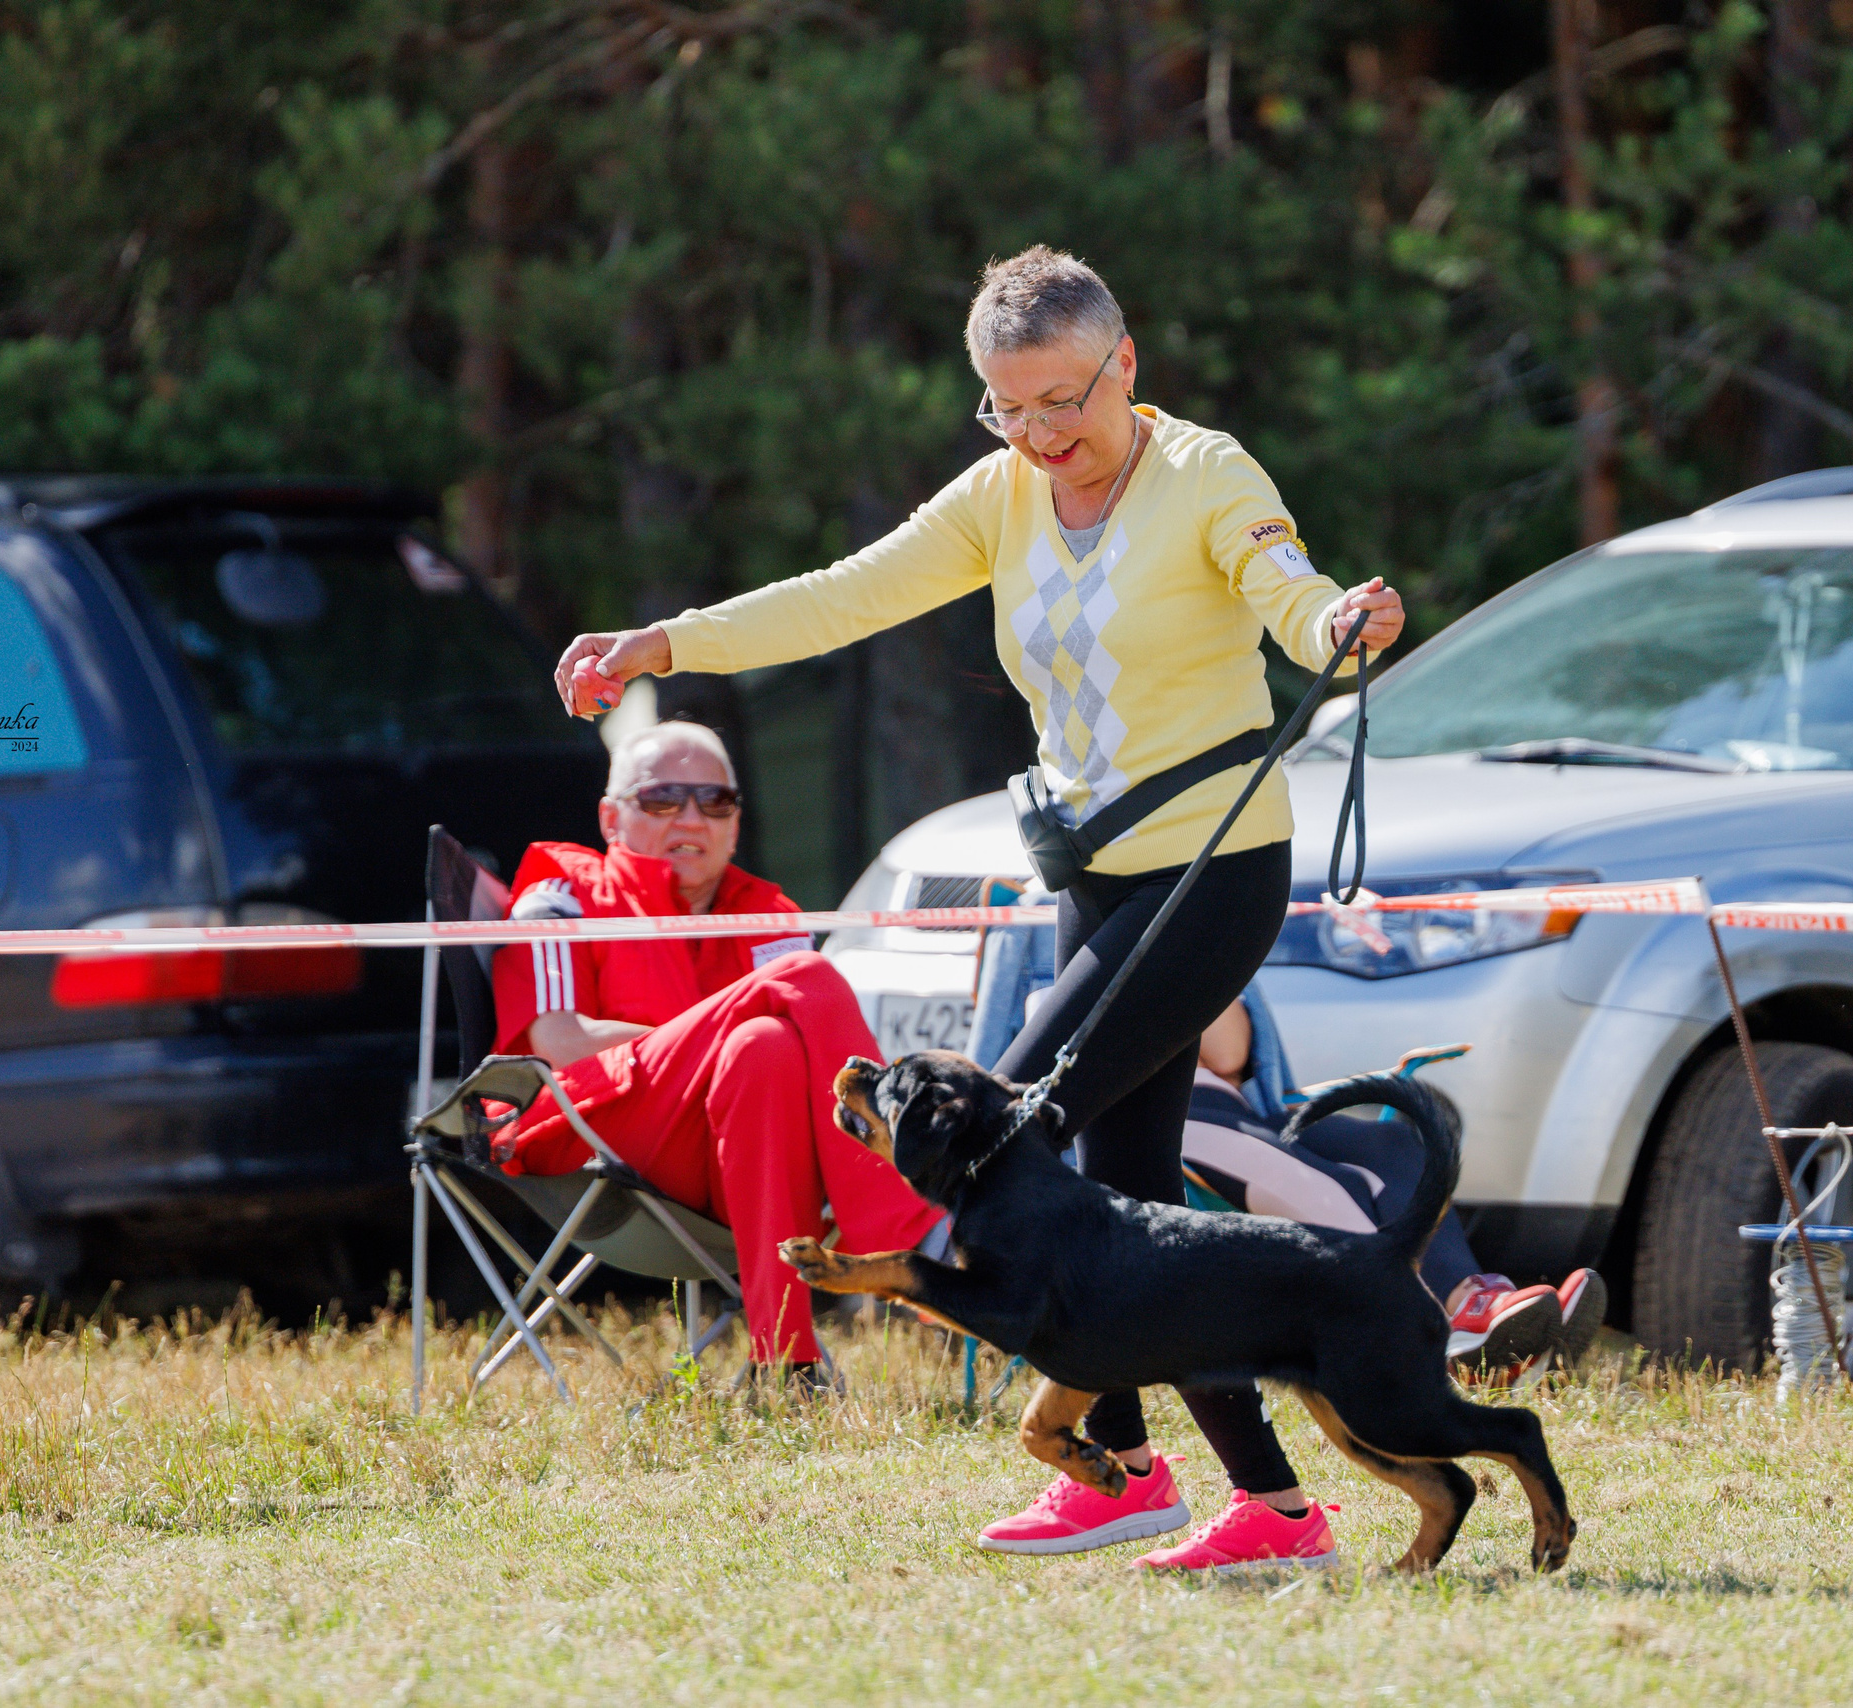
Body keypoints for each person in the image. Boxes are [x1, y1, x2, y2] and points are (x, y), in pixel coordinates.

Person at [555, 246, 1405, 1573]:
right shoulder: (1003, 494)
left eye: (1063, 399)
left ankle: (1102, 1461)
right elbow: (846, 593)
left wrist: (1335, 623)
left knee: (996, 1131)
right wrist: (664, 643)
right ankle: (1249, 1504)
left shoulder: (1208, 476)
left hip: (1210, 877)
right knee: (1122, 1195)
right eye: (1008, 408)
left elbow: (1286, 589)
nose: (1042, 435)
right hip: (1098, 882)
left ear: (1126, 363)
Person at [488, 721, 945, 1391]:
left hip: (728, 1148)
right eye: (664, 799)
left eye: (715, 801)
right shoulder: (562, 895)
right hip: (592, 1136)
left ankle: (784, 1361)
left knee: (761, 1048)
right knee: (806, 982)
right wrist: (699, 1036)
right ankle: (913, 1231)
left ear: (736, 821)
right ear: (610, 817)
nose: (692, 818)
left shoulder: (766, 914)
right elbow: (561, 1043)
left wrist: (713, 1039)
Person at [1181, 991, 1607, 1381]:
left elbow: (1232, 1052)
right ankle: (1433, 1333)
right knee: (1339, 1188)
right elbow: (1226, 1053)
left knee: (1393, 1145)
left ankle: (1478, 1311)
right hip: (1177, 1113)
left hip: (1247, 1108)